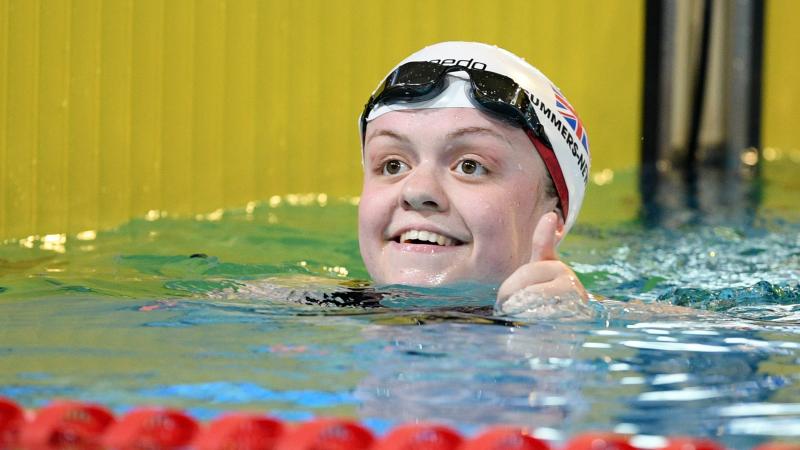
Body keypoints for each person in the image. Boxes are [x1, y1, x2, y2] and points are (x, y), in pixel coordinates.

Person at [357, 41, 593, 317]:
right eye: (393, 165)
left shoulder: (623, 328)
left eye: (470, 166)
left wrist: (557, 347)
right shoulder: (305, 310)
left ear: (555, 215)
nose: (416, 191)